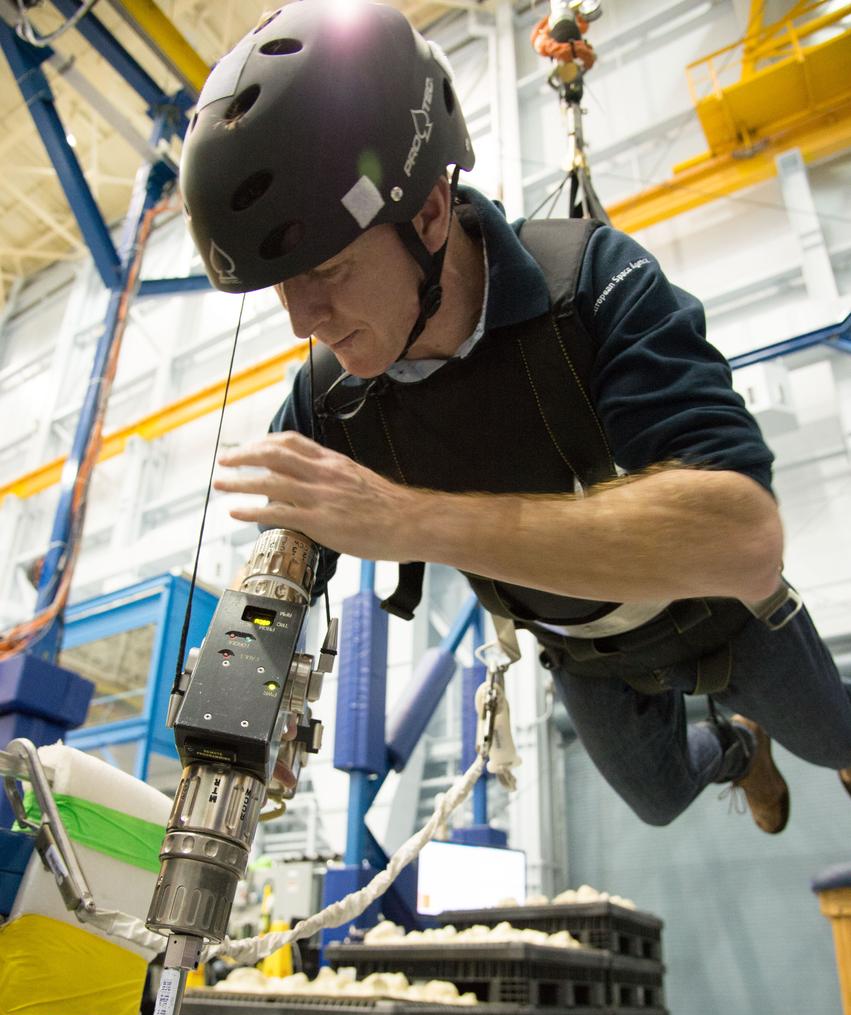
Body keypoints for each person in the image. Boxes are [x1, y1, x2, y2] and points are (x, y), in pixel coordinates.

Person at [180, 0, 851, 834]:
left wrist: (410, 519)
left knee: (838, 737)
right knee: (660, 798)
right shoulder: (333, 397)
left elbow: (740, 538)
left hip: (723, 613)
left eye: (328, 269)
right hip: (583, 650)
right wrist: (246, 696)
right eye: (281, 286)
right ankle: (741, 752)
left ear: (427, 210)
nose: (301, 317)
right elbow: (286, 550)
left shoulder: (592, 285)